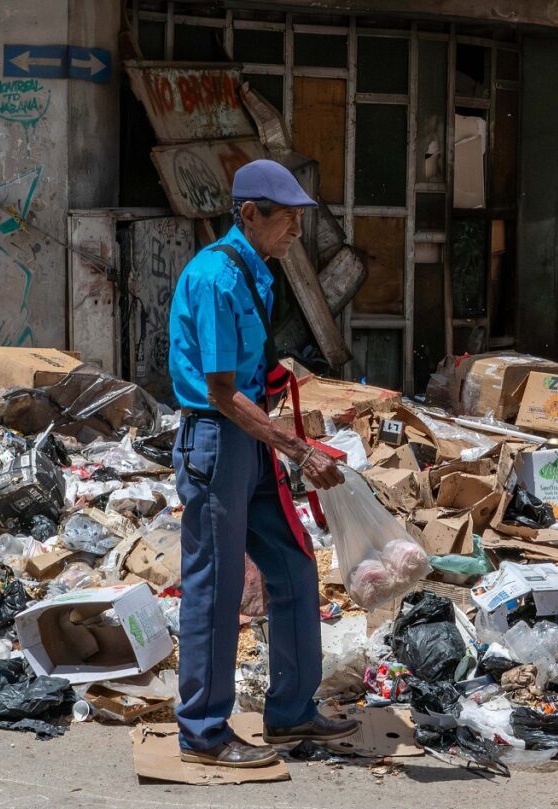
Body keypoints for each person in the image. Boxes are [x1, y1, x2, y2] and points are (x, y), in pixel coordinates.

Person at [168, 159, 354, 768]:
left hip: (248, 444)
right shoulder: (218, 279)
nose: (297, 232)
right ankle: (203, 732)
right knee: (216, 588)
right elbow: (221, 392)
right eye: (289, 220)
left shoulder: (256, 274)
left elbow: (247, 372)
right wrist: (296, 448)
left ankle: (292, 710)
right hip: (217, 445)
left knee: (295, 567)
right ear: (249, 214)